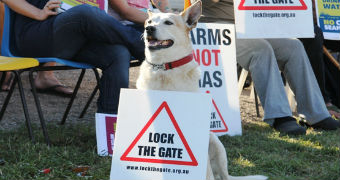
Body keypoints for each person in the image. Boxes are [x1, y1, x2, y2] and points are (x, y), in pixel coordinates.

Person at [192, 0, 340, 135]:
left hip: (250, 25)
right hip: (215, 26)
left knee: (294, 47)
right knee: (261, 49)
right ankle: (279, 116)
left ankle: (315, 114)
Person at [2, 0, 168, 114]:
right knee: (84, 14)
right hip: (34, 34)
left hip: (73, 36)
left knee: (117, 53)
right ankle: (145, 47)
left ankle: (110, 126)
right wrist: (37, 12)